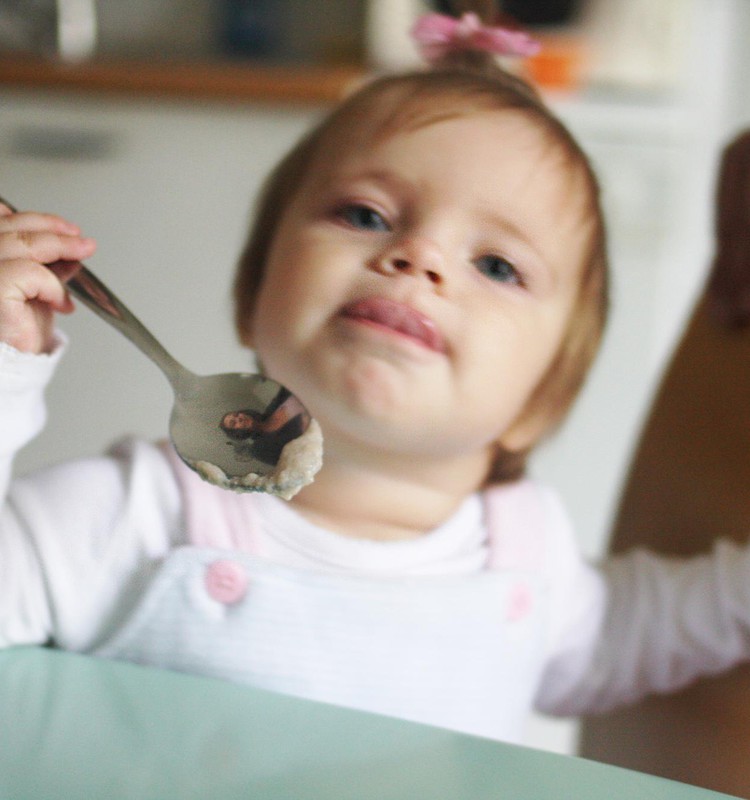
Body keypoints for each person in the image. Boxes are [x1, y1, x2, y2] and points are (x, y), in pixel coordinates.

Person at [2, 5, 750, 746]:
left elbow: (640, 628)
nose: (418, 257)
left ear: (543, 399)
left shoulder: (526, 553)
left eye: (496, 265)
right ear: (252, 296)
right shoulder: (140, 513)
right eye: (365, 214)